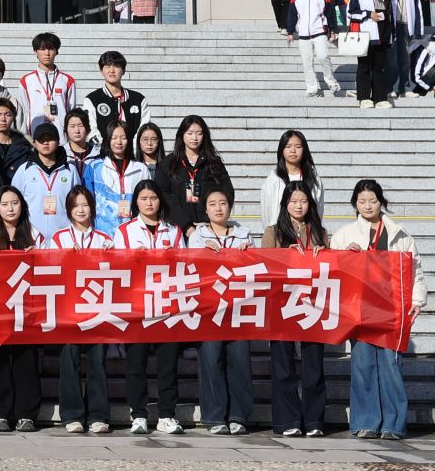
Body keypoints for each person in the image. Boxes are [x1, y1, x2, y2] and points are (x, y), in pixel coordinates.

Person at [331, 179, 424, 440]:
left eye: (372, 200)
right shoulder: (344, 235)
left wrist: (417, 300)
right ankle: (366, 422)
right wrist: (344, 254)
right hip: (359, 309)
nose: (368, 205)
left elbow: (415, 270)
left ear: (381, 202)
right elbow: (332, 269)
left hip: (392, 309)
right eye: (362, 201)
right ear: (355, 204)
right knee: (363, 365)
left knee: (390, 366)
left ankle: (393, 424)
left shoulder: (400, 234)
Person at [116, 182, 185, 434]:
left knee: (168, 364)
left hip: (167, 305)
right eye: (144, 198)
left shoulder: (174, 230)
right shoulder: (124, 231)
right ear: (136, 201)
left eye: (153, 197)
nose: (149, 203)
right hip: (137, 306)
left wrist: (171, 257)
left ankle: (167, 415)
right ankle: (139, 414)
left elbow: (186, 265)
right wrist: (132, 258)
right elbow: (116, 267)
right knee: (136, 363)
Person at [0, 187, 42, 431]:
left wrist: (39, 257)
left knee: (26, 360)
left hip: (26, 309)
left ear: (22, 205)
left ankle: (27, 414)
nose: (10, 208)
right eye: (5, 204)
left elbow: (48, 271)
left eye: (15, 203)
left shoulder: (34, 234)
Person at [264, 185, 331, 438]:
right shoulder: (273, 232)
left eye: (303, 201)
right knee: (283, 364)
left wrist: (324, 254)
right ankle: (287, 420)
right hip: (282, 303)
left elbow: (331, 268)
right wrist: (284, 255)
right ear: (285, 204)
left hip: (313, 303)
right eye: (293, 201)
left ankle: (314, 420)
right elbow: (264, 265)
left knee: (314, 364)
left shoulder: (320, 233)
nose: (299, 205)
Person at [186, 188, 254, 436]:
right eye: (212, 204)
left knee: (239, 359)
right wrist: (204, 255)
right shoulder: (198, 237)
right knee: (211, 359)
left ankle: (239, 415)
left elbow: (255, 269)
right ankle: (215, 416)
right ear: (205, 210)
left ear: (230, 207)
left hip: (238, 307)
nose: (218, 208)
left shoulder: (243, 234)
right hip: (209, 307)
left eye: (223, 203)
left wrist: (247, 255)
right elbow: (191, 268)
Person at [47, 187, 112, 435]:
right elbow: (51, 270)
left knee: (97, 361)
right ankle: (72, 415)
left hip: (98, 309)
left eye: (85, 205)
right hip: (69, 309)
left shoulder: (105, 239)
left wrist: (108, 256)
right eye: (75, 206)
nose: (81, 210)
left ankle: (98, 415)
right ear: (68, 210)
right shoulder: (59, 238)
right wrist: (66, 258)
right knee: (69, 359)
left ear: (92, 208)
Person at [158, 114, 232, 231]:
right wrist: (186, 225)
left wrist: (210, 221)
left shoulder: (214, 162)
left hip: (209, 228)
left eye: (199, 133)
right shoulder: (168, 163)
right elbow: (164, 195)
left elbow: (227, 191)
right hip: (177, 229)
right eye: (190, 133)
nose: (195, 138)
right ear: (182, 135)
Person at [13, 121, 80, 243]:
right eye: (41, 139)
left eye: (50, 139)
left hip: (64, 238)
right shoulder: (24, 170)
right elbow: (15, 201)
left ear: (58, 142)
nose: (45, 142)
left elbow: (78, 202)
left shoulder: (70, 170)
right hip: (31, 236)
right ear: (34, 143)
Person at [86, 121, 147, 238]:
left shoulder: (141, 169)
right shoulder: (94, 167)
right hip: (102, 234)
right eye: (114, 138)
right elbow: (87, 201)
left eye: (123, 138)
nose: (119, 142)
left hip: (133, 234)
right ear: (108, 140)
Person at [287, 0, 342, 98]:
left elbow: (330, 15)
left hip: (319, 33)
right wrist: (290, 32)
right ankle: (312, 89)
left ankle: (332, 82)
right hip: (303, 35)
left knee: (323, 57)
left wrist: (332, 30)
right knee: (307, 62)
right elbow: (292, 16)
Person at [259, 129, 324, 228]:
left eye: (298, 147)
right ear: (282, 150)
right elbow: (266, 212)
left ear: (304, 150)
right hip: (280, 233)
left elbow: (318, 209)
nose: (293, 150)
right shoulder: (273, 180)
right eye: (288, 146)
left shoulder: (314, 179)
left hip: (307, 231)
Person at [82, 51, 147, 145]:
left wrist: (131, 149)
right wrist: (107, 150)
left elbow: (144, 130)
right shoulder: (91, 99)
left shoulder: (139, 100)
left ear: (123, 70)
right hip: (103, 152)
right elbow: (91, 130)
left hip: (132, 152)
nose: (112, 70)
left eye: (116, 66)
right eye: (107, 66)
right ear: (101, 71)